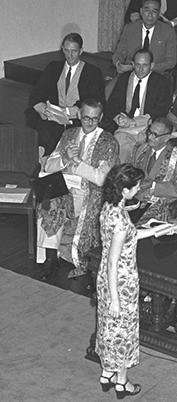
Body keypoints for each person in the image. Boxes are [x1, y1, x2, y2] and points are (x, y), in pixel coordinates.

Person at [95, 164, 160, 399]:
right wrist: (115, 299)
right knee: (124, 330)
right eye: (136, 185)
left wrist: (155, 231)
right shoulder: (121, 220)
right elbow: (115, 259)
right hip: (122, 281)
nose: (139, 188)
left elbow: (126, 239)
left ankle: (106, 372)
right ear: (125, 189)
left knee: (108, 327)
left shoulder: (109, 208)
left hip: (106, 277)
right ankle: (122, 381)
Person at [37, 99, 119, 280]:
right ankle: (51, 259)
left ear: (101, 118)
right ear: (79, 114)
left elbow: (103, 178)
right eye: (86, 117)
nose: (89, 123)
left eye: (95, 119)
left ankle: (56, 257)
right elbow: (49, 166)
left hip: (87, 190)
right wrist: (64, 158)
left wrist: (78, 164)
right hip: (63, 184)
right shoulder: (69, 134)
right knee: (50, 200)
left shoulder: (108, 141)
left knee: (56, 198)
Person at [26, 33, 104, 155]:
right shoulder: (54, 68)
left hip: (77, 120)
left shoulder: (92, 72)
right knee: (43, 132)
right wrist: (40, 106)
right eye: (67, 50)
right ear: (62, 49)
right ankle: (43, 163)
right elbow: (38, 92)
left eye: (74, 51)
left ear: (81, 51)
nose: (70, 55)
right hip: (54, 118)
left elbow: (94, 100)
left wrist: (69, 111)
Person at [103, 49, 172, 162]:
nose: (140, 69)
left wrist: (134, 121)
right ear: (133, 64)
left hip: (148, 126)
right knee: (121, 145)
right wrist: (118, 118)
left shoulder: (161, 82)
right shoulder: (124, 78)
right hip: (125, 128)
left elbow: (161, 110)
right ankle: (122, 174)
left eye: (145, 65)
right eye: (138, 65)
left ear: (152, 65)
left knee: (145, 151)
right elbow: (112, 103)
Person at [129, 118, 177, 223]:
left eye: (155, 135)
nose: (150, 137)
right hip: (135, 206)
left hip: (161, 211)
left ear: (166, 138)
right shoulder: (140, 149)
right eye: (149, 132)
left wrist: (154, 185)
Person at [112, 0, 177, 76]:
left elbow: (171, 61)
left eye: (154, 11)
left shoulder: (167, 31)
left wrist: (144, 68)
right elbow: (118, 53)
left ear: (159, 14)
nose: (150, 15)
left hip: (155, 74)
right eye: (147, 10)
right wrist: (119, 64)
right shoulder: (130, 28)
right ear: (141, 11)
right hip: (129, 74)